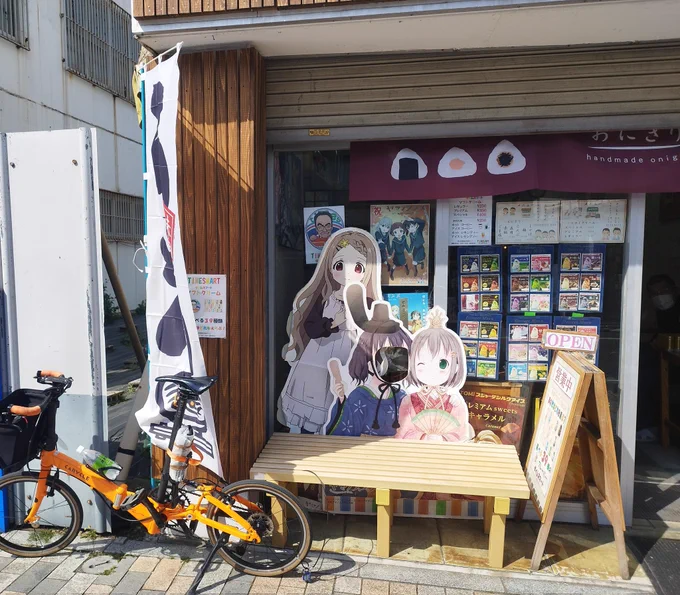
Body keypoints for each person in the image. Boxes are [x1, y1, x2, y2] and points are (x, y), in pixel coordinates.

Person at [278, 229, 381, 434]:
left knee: (340, 400)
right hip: (318, 355)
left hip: (350, 356)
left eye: (358, 267)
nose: (347, 273)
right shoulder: (324, 297)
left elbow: (371, 332)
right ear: (329, 266)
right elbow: (311, 327)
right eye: (339, 265)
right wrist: (333, 322)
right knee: (313, 395)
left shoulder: (367, 302)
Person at [396, 307, 474, 442]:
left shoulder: (455, 404)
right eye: (421, 364)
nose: (432, 372)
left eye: (442, 364)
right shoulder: (409, 402)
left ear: (455, 365)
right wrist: (423, 437)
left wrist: (443, 438)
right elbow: (402, 433)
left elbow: (462, 436)